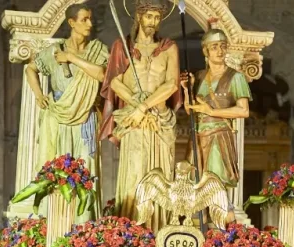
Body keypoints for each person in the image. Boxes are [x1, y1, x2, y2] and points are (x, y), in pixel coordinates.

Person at [101, 0, 182, 232]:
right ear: (138, 16)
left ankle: (160, 230)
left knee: (160, 173)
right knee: (134, 171)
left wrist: (144, 106)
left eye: (157, 18)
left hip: (158, 118)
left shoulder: (169, 48)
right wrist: (135, 104)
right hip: (134, 120)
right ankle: (131, 232)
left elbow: (171, 84)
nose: (153, 22)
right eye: (149, 17)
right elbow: (114, 81)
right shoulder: (122, 46)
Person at [25, 4, 108, 222]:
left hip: (84, 118)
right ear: (71, 23)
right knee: (56, 170)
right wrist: (38, 94)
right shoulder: (54, 51)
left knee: (85, 171)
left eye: (90, 19)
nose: (90, 24)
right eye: (84, 20)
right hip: (58, 117)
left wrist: (72, 58)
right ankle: (54, 224)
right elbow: (30, 69)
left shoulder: (97, 50)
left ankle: (83, 227)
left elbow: (101, 74)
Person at [180, 25, 250, 205]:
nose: (219, 50)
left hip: (219, 137)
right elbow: (191, 110)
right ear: (206, 51)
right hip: (198, 137)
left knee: (216, 186)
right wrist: (187, 90)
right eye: (214, 47)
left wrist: (212, 111)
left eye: (222, 45)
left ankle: (221, 230)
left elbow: (243, 110)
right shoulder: (200, 76)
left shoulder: (235, 77)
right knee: (196, 188)